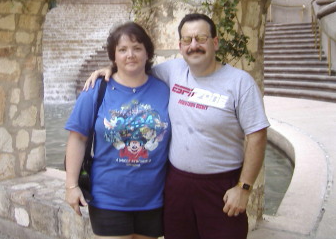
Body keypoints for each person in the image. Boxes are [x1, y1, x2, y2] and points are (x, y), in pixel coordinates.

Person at [84, 13, 269, 239]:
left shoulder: (239, 83)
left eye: (201, 38)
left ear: (215, 42)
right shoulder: (172, 71)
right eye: (187, 40)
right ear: (180, 46)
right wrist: (109, 70)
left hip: (221, 187)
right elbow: (133, 69)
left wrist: (244, 187)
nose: (194, 45)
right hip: (176, 186)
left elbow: (257, 136)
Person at [65, 22, 171, 239]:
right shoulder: (96, 90)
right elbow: (77, 138)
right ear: (114, 56)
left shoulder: (164, 90)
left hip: (153, 199)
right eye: (122, 50)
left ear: (147, 53)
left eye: (137, 48)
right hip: (108, 199)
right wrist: (71, 186)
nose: (130, 55)